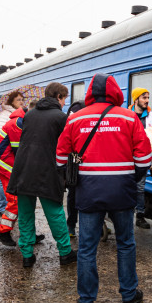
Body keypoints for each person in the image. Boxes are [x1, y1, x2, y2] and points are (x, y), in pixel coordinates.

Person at [57, 74, 151, 303]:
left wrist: (73, 175)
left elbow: (60, 157)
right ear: (116, 92)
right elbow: (144, 158)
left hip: (88, 190)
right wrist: (131, 178)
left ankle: (86, 301)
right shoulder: (129, 117)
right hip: (122, 190)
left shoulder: (76, 118)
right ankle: (129, 294)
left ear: (90, 92)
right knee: (126, 243)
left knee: (87, 247)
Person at [7, 83, 75, 268]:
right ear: (59, 97)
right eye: (64, 98)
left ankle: (27, 255)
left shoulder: (29, 115)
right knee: (55, 213)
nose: (64, 103)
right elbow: (66, 146)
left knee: (25, 214)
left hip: (23, 170)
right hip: (47, 171)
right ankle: (65, 252)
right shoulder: (61, 117)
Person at [0, 104, 26, 246]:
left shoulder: (18, 121)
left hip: (5, 162)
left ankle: (28, 234)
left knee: (20, 199)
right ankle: (3, 233)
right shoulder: (17, 124)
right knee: (15, 200)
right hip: (5, 164)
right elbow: (19, 150)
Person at [128, 87, 152, 229]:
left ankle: (140, 216)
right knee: (126, 187)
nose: (147, 100)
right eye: (144, 98)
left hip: (143, 157)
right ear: (136, 99)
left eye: (148, 97)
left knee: (140, 188)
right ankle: (125, 214)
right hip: (127, 157)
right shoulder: (127, 115)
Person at [0, 91, 24, 214]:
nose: (21, 102)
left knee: (11, 180)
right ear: (11, 102)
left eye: (22, 99)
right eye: (18, 100)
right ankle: (2, 207)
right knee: (3, 180)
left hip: (14, 153)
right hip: (5, 153)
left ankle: (11, 206)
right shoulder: (5, 115)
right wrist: (10, 140)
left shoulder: (20, 114)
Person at [64, 100, 85, 240]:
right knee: (73, 193)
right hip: (75, 158)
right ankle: (71, 224)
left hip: (83, 158)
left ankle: (97, 224)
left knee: (78, 193)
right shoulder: (78, 108)